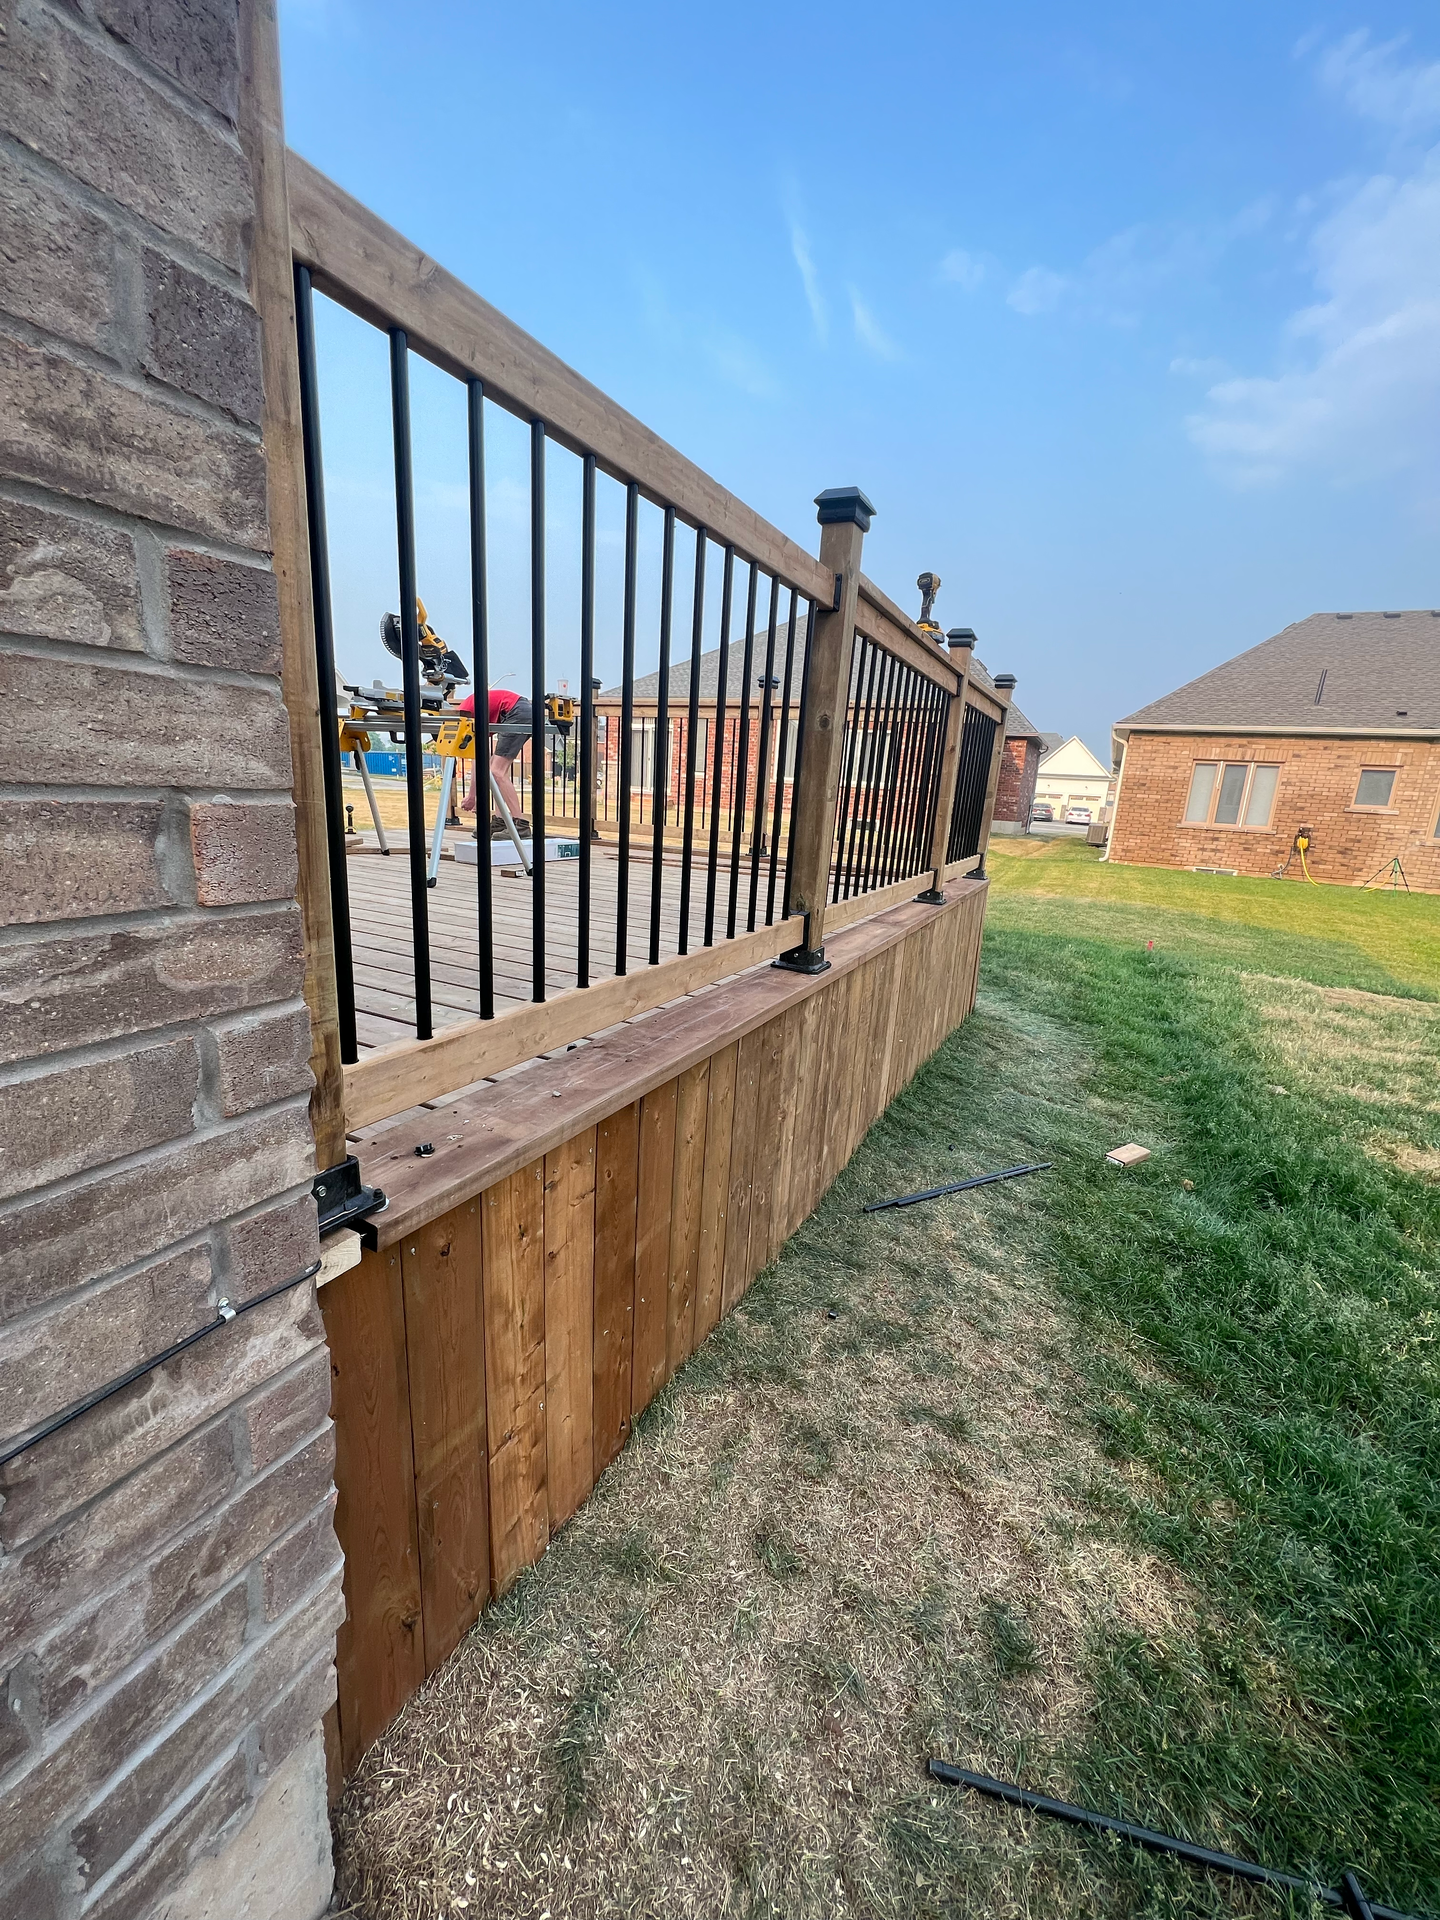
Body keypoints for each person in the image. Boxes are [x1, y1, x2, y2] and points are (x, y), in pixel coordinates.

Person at [458, 688, 532, 838]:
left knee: (496, 771)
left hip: (516, 711)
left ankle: (520, 825)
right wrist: (474, 795)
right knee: (495, 771)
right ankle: (500, 821)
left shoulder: (464, 720)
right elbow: (479, 759)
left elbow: (477, 759)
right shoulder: (466, 717)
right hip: (518, 709)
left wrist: (472, 796)